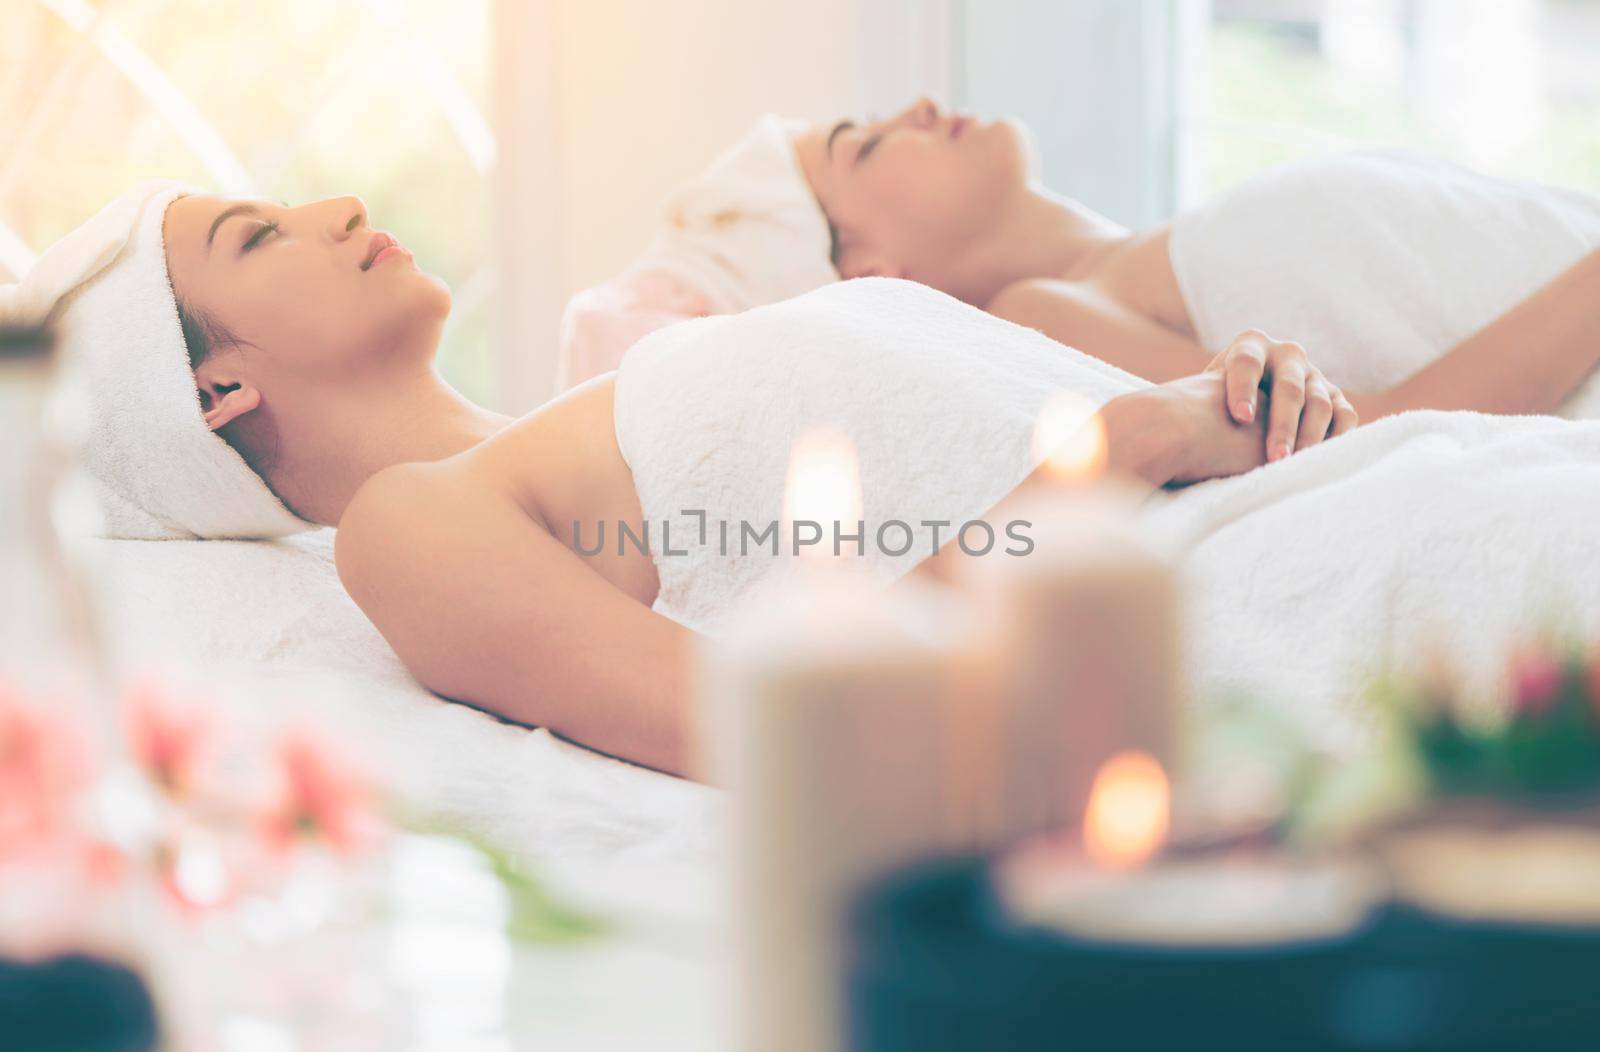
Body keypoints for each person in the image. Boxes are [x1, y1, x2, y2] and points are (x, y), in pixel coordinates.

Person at [25, 183, 1344, 779]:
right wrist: (1116, 455)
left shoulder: (606, 402)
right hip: (1265, 633)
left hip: (1332, 497)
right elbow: (819, 728)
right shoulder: (411, 525)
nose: (330, 205)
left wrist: (1245, 391)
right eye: (257, 237)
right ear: (212, 394)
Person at [792, 98, 1600, 459]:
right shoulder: (1045, 311)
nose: (921, 107)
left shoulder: (1161, 244)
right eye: (864, 143)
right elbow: (1376, 430)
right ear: (869, 270)